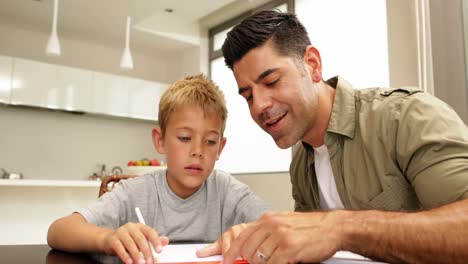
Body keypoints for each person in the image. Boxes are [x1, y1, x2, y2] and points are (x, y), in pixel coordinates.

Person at [196, 9, 468, 264]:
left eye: (272, 82)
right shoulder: (302, 163)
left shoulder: (405, 117)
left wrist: (340, 227)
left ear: (312, 65)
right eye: (248, 96)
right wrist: (258, 240)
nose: (259, 106)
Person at [47, 74, 271, 264]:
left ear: (220, 147)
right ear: (160, 140)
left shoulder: (228, 192)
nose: (198, 150)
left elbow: (280, 229)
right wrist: (107, 238)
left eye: (210, 141)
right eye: (184, 138)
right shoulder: (133, 193)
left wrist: (250, 235)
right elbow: (58, 231)